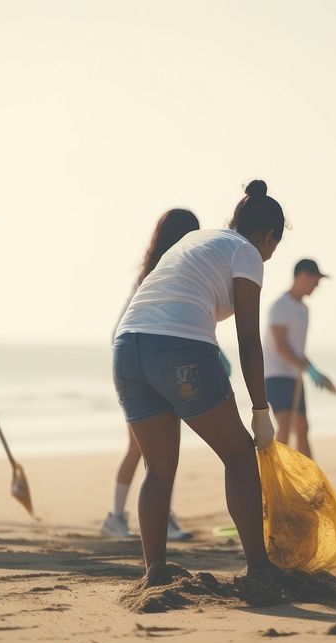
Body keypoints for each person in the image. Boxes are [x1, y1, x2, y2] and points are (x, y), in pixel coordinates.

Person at [112, 179, 283, 582]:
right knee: (240, 454)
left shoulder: (197, 240)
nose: (272, 254)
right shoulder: (247, 252)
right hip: (178, 350)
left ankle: (154, 572)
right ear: (268, 236)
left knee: (158, 469)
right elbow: (247, 339)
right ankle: (260, 569)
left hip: (126, 349)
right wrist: (261, 410)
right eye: (275, 244)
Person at [102, 209, 201, 540]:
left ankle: (134, 516)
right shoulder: (163, 275)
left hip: (142, 365)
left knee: (152, 450)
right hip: (151, 368)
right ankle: (119, 517)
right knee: (147, 450)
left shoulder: (151, 274)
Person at [263, 258, 336, 459]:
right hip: (276, 375)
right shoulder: (281, 305)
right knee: (285, 428)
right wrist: (308, 370)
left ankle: (310, 478)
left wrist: (314, 371)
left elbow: (297, 349)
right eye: (316, 280)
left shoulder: (304, 309)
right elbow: (280, 345)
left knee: (303, 427)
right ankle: (275, 477)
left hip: (294, 376)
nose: (317, 285)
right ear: (303, 276)